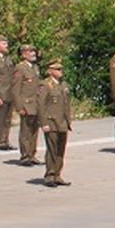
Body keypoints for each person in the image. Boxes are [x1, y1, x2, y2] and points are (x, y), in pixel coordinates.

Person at [38, 58, 72, 187]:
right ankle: (50, 175)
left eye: (61, 69)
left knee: (60, 150)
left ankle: (57, 174)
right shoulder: (45, 85)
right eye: (57, 69)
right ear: (50, 71)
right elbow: (41, 105)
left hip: (62, 122)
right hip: (51, 122)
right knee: (52, 149)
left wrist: (68, 120)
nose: (60, 71)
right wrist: (43, 123)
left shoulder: (62, 85)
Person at [12, 44, 40, 166]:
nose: (33, 53)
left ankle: (32, 154)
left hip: (36, 104)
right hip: (26, 104)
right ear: (23, 54)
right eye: (30, 51)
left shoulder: (35, 67)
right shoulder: (20, 68)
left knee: (34, 131)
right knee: (26, 131)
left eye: (34, 51)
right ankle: (25, 155)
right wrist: (19, 107)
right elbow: (15, 89)